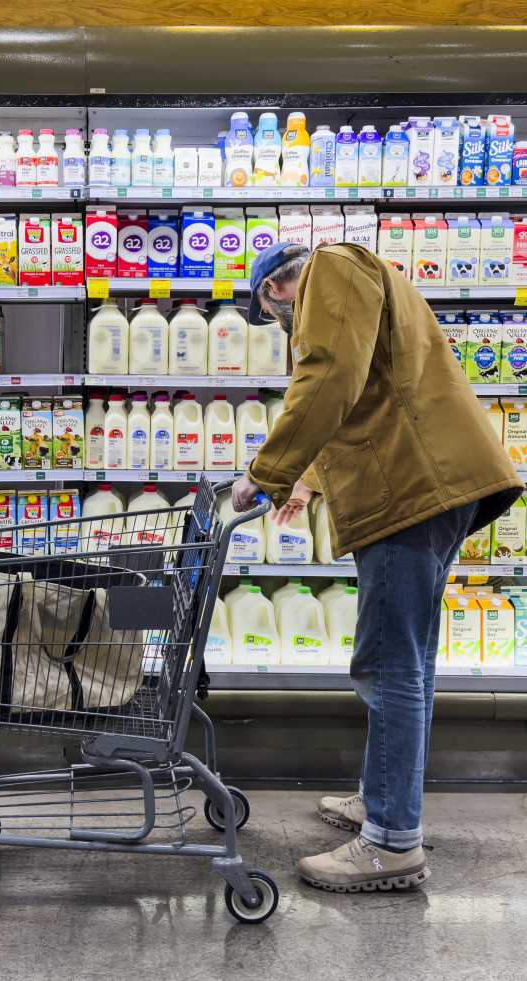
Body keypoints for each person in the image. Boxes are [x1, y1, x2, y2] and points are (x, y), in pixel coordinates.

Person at [232, 241, 523, 893]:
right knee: (405, 657)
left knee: (387, 660)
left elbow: (330, 375)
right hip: (426, 480)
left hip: (408, 486)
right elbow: (361, 389)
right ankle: (381, 799)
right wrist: (300, 479)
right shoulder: (361, 279)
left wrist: (266, 470)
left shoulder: (330, 270)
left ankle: (391, 841)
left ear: (273, 292)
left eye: (271, 317)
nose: (282, 330)